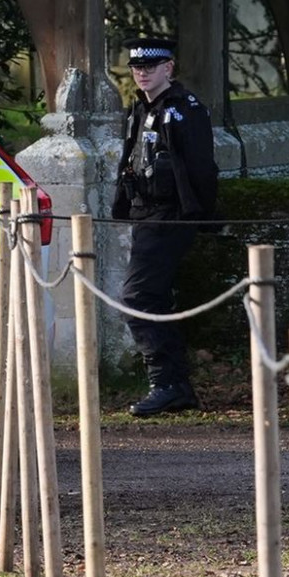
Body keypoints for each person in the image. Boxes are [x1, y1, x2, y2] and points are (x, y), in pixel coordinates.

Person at [112, 35, 219, 417]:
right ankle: (175, 387)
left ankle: (167, 384)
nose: (142, 73)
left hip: (171, 216)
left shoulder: (185, 109)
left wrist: (205, 216)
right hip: (146, 214)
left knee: (138, 299)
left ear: (169, 68)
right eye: (137, 68)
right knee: (151, 298)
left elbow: (202, 169)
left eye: (150, 67)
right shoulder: (140, 109)